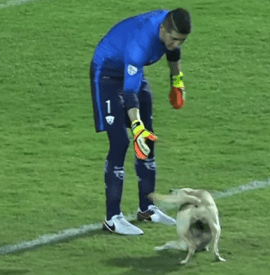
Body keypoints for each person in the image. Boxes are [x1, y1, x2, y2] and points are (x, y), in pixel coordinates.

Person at [90, 8, 191, 235]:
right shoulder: (140, 44)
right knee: (121, 142)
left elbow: (174, 55)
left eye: (181, 41)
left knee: (148, 140)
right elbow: (129, 94)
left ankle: (147, 209)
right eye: (174, 39)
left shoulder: (170, 25)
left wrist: (178, 82)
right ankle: (112, 218)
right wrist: (136, 126)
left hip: (131, 74)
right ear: (162, 30)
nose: (176, 44)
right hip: (107, 74)